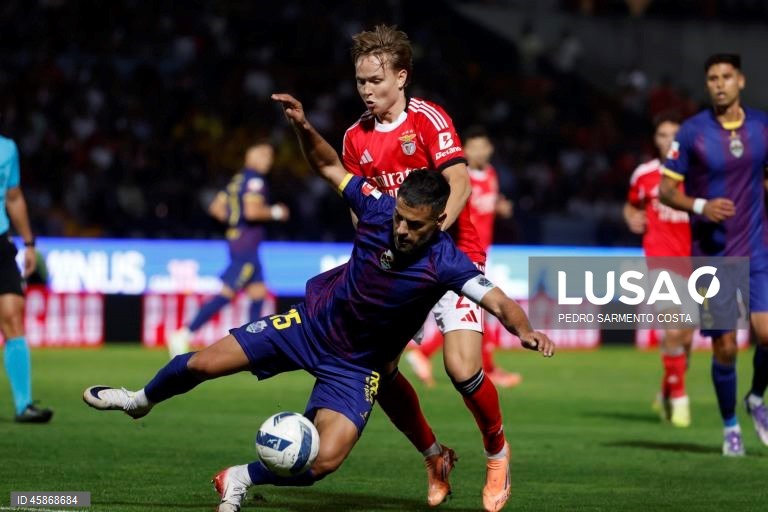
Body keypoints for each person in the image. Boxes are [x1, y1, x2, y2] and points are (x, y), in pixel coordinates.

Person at [83, 93, 555, 512]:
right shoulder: (376, 207)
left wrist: (526, 330)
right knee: (204, 363)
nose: (402, 230)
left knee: (324, 461)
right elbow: (331, 166)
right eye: (401, 219)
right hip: (310, 326)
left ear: (438, 221)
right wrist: (306, 130)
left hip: (356, 367)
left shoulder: (446, 261)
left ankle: (240, 477)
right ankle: (140, 400)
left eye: (414, 224)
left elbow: (496, 300)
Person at [341, 25, 513, 511]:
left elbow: (459, 185)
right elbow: (361, 211)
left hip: (451, 253)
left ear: (401, 76)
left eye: (375, 81)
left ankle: (497, 452)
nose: (366, 91)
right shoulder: (356, 138)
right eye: (359, 82)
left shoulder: (429, 119)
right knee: (382, 366)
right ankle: (434, 455)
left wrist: (429, 241)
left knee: (461, 367)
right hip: (398, 261)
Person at [660, 53, 768, 456]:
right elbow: (666, 190)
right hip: (712, 256)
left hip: (757, 247)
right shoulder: (691, 133)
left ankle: (756, 397)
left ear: (740, 80)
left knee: (767, 333)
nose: (719, 83)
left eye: (726, 76)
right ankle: (730, 427)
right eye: (712, 78)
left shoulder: (762, 126)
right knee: (725, 348)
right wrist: (702, 206)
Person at [406, 126, 521, 389]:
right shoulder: (459, 177)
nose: (479, 151)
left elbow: (486, 207)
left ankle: (424, 355)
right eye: (474, 146)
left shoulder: (491, 174)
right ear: (464, 149)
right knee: (479, 310)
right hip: (461, 253)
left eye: (484, 146)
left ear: (490, 148)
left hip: (482, 252)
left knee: (470, 314)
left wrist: (500, 207)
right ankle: (488, 370)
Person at [167, 140, 289, 358]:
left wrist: (234, 224)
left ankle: (254, 346)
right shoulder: (254, 181)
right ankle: (184, 333)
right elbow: (252, 212)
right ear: (252, 158)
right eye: (265, 156)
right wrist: (276, 213)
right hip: (247, 245)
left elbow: (215, 208)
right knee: (227, 293)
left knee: (258, 293)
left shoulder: (237, 180)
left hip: (240, 241)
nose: (268, 162)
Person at [623, 113, 695, 427]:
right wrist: (630, 217)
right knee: (675, 328)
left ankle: (666, 391)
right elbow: (631, 205)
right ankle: (680, 401)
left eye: (674, 134)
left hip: (697, 263)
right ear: (657, 139)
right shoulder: (645, 174)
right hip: (660, 261)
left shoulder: (699, 173)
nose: (668, 140)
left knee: (687, 337)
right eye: (663, 134)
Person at [0, 134, 53, 423]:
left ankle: (24, 406)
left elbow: (14, 196)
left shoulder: (8, 148)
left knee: (13, 317)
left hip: (0, 243)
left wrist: (29, 243)